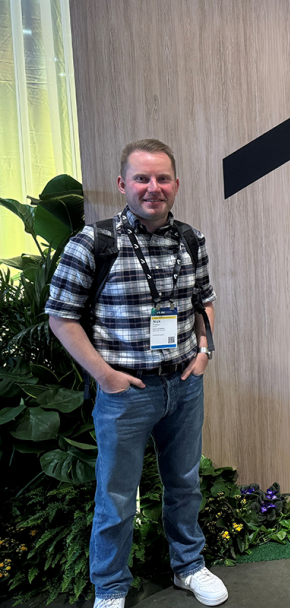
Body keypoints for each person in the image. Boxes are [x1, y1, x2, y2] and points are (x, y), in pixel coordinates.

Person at [46, 139, 228, 607]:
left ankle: (189, 566)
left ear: (176, 184)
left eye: (162, 178)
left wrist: (204, 351)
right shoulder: (93, 242)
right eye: (142, 179)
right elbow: (61, 317)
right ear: (123, 184)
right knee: (117, 495)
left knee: (184, 482)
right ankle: (110, 586)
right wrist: (104, 376)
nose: (153, 188)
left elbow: (202, 301)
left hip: (184, 385)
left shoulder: (191, 240)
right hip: (126, 391)